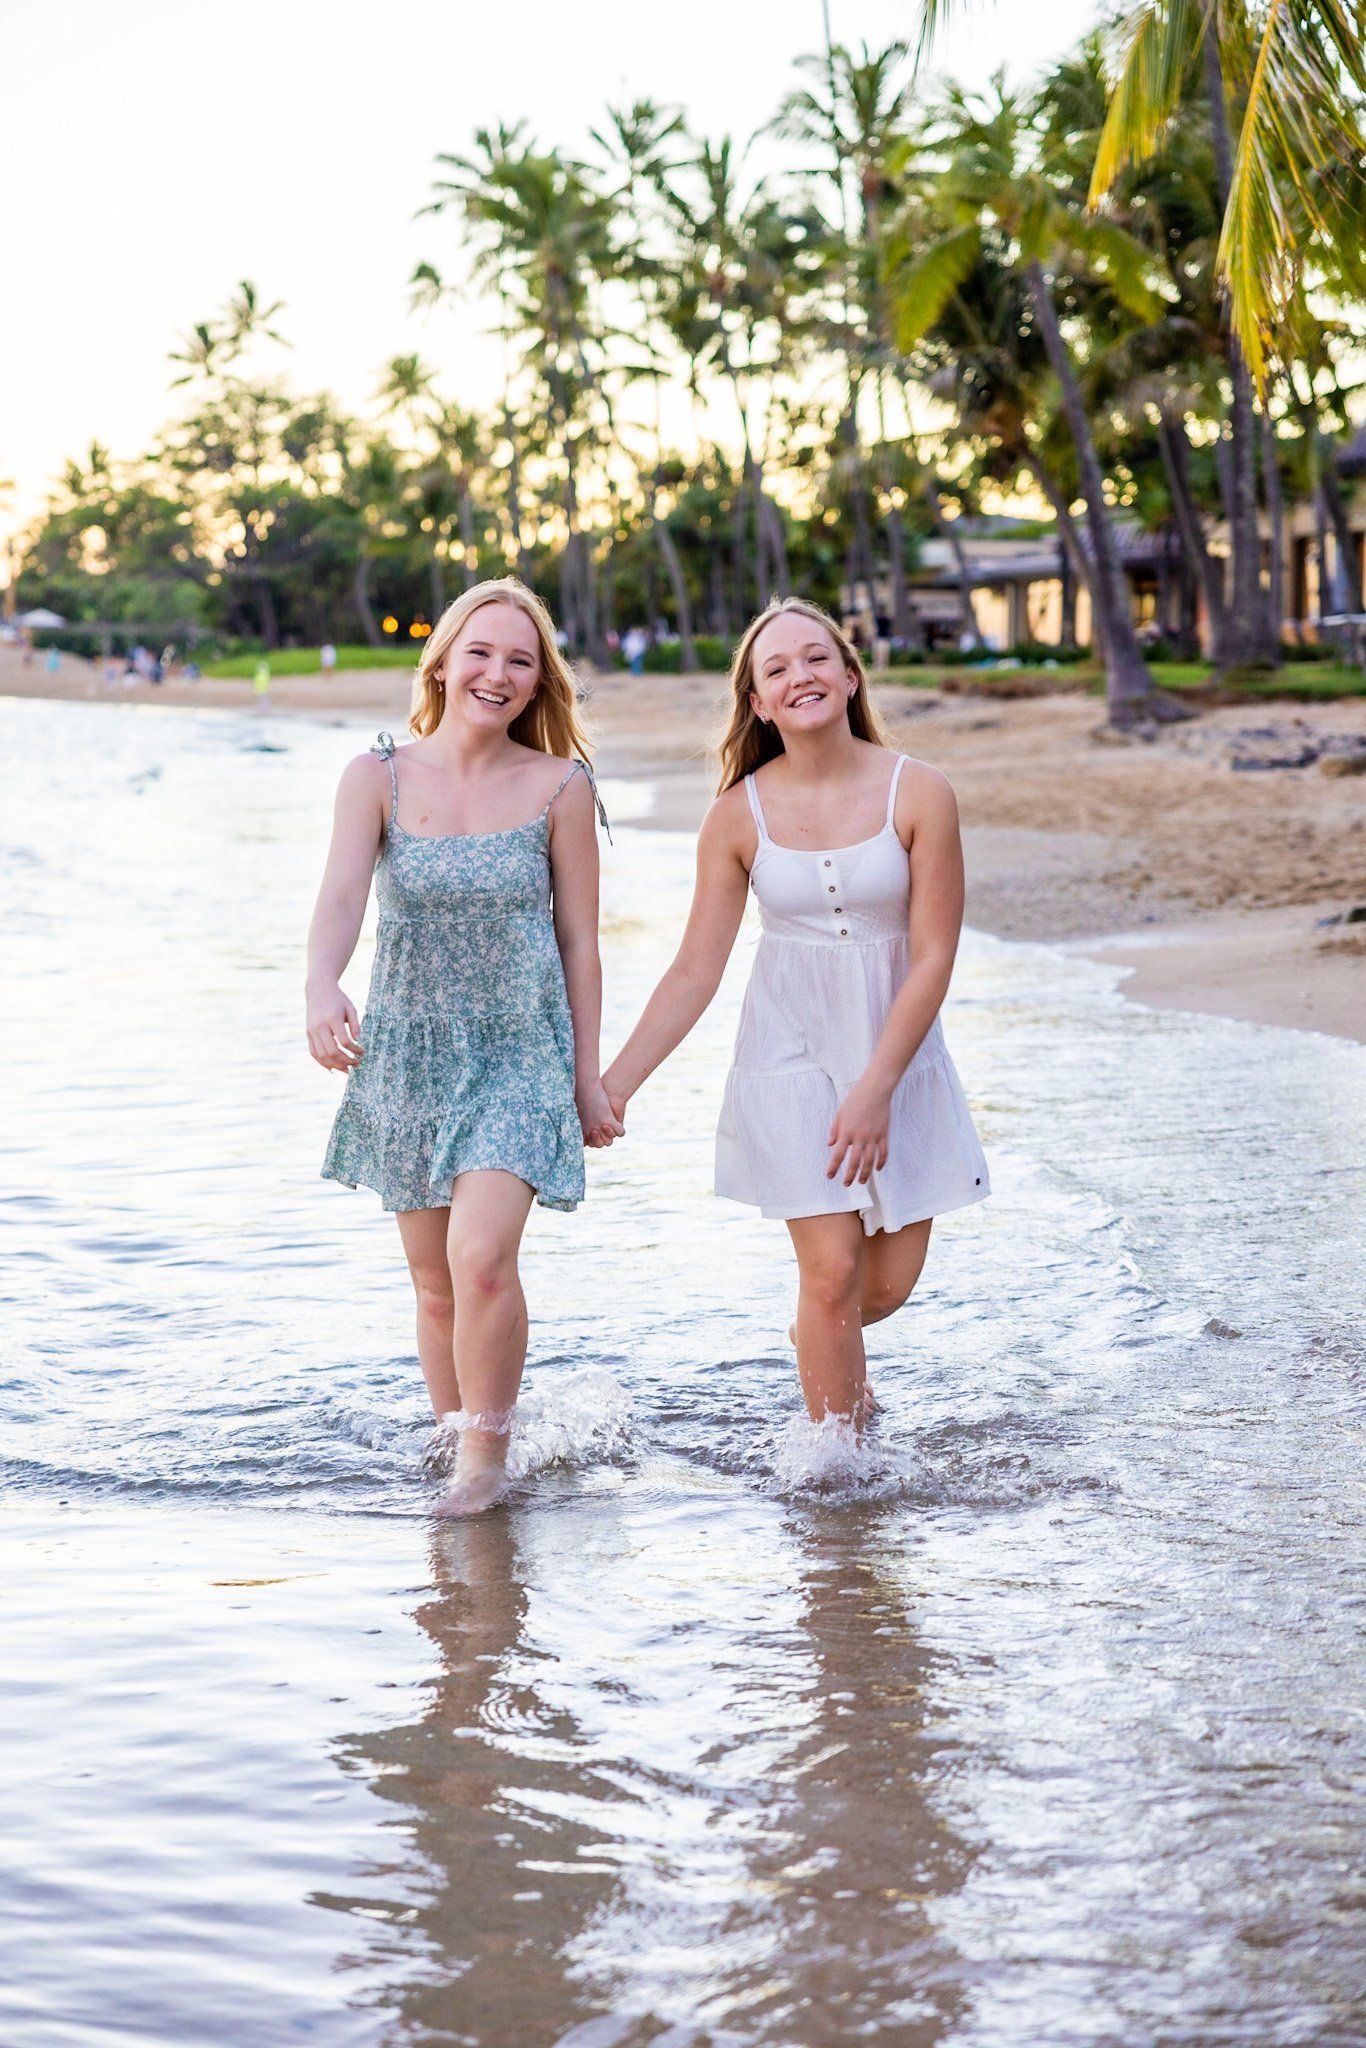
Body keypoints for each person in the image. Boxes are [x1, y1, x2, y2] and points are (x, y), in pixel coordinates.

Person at [603, 596, 988, 1429]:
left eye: (815, 658)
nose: (798, 675)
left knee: (879, 1289)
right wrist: (614, 1085)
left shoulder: (920, 792)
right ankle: (832, 1482)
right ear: (758, 703)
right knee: (830, 1273)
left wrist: (879, 1085)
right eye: (774, 668)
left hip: (899, 1057)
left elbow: (933, 958)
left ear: (850, 677)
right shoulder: (735, 816)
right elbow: (693, 971)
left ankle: (819, 1342)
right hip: (785, 1058)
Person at [307, 578, 621, 1516]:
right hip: (410, 1050)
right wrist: (322, 986)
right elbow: (338, 900)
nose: (497, 672)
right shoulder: (378, 777)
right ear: (442, 661)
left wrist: (587, 1075)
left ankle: (485, 1465)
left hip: (521, 1050)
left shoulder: (562, 786)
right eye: (480, 652)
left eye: (520, 661)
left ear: (537, 685)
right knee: (436, 1284)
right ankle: (459, 1446)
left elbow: (580, 941)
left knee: (483, 1257)